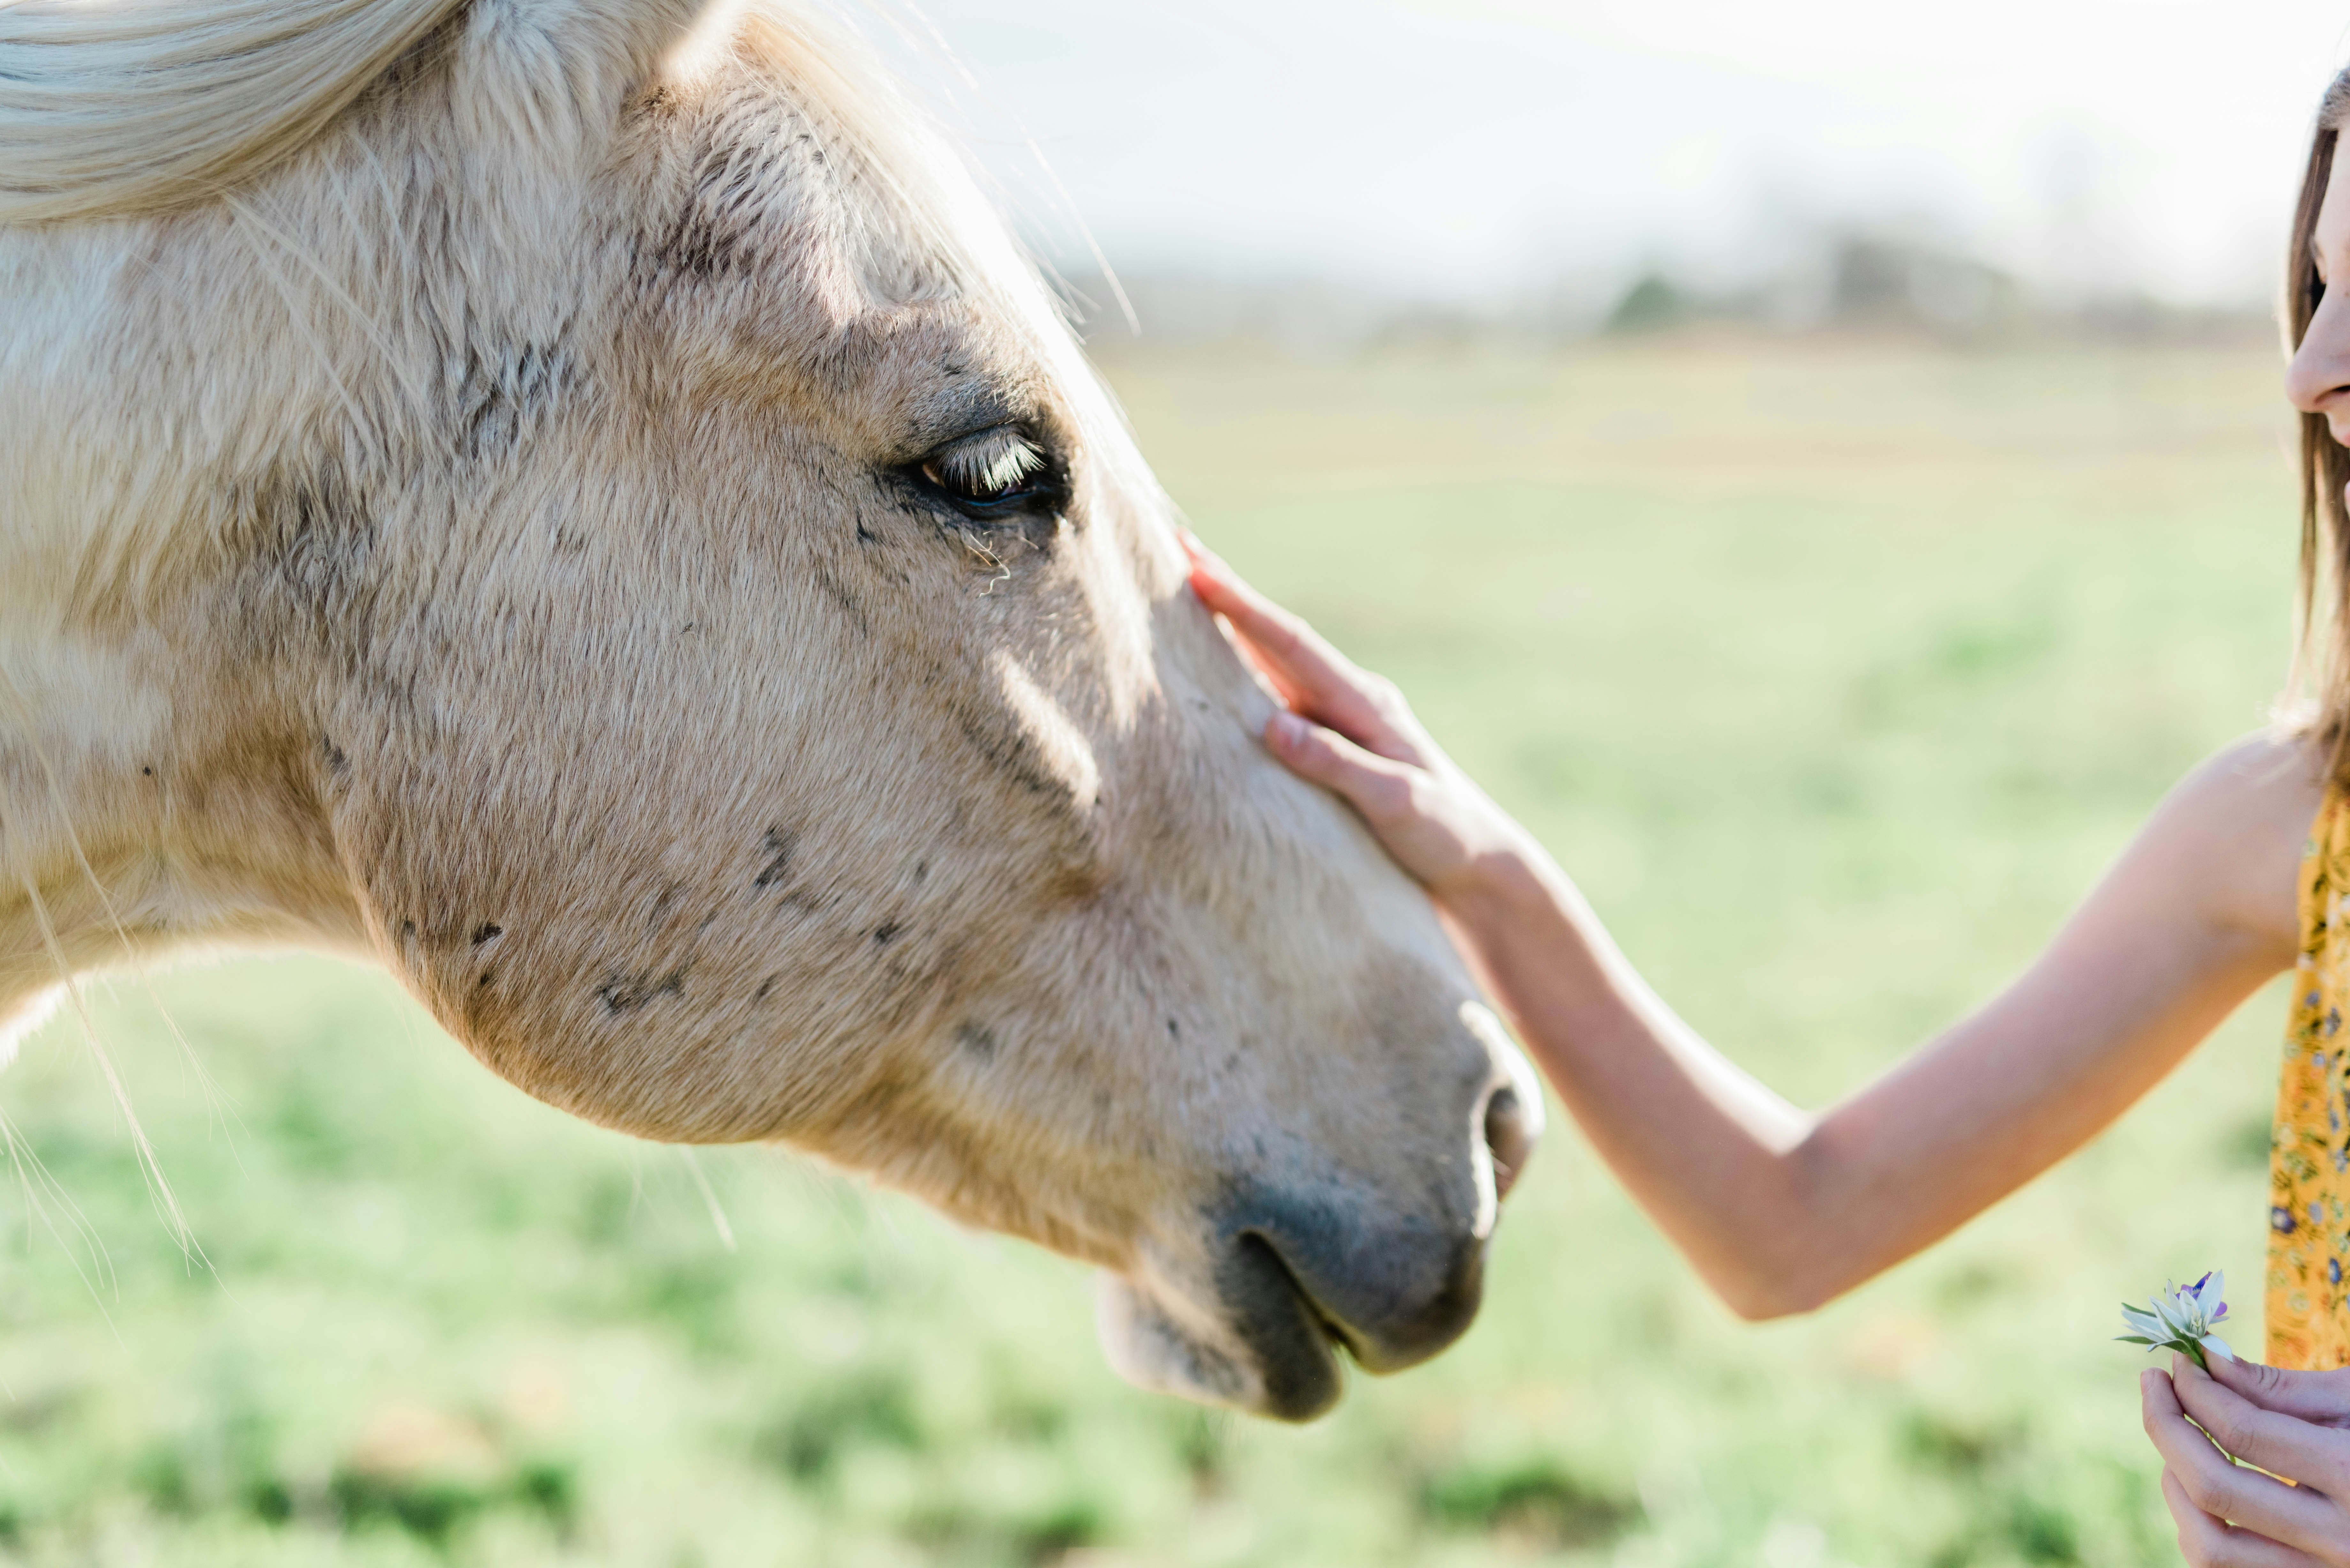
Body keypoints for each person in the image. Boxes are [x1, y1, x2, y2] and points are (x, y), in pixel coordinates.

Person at [1181, 63, 2350, 1568]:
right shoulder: (2284, 827)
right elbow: (1790, 1224)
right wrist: (1487, 871)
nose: (2310, 370)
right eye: (2316, 289)